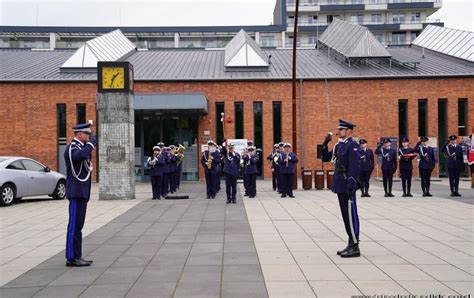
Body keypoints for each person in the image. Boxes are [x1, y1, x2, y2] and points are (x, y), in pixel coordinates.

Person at [322, 119, 361, 258]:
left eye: (342, 130)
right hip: (339, 184)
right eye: (339, 130)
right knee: (345, 215)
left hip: (347, 184)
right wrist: (325, 143)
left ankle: (355, 245)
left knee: (351, 215)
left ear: (349, 131)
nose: (339, 132)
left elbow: (355, 167)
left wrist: (352, 184)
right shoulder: (339, 146)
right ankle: (350, 242)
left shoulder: (353, 146)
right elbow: (326, 158)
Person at [63, 123, 96, 267]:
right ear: (80, 134)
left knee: (79, 226)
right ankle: (71, 257)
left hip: (82, 192)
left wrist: (89, 145)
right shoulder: (72, 148)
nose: (89, 137)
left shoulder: (82, 147)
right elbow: (80, 156)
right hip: (76, 192)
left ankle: (78, 255)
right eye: (87, 134)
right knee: (74, 226)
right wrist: (91, 145)